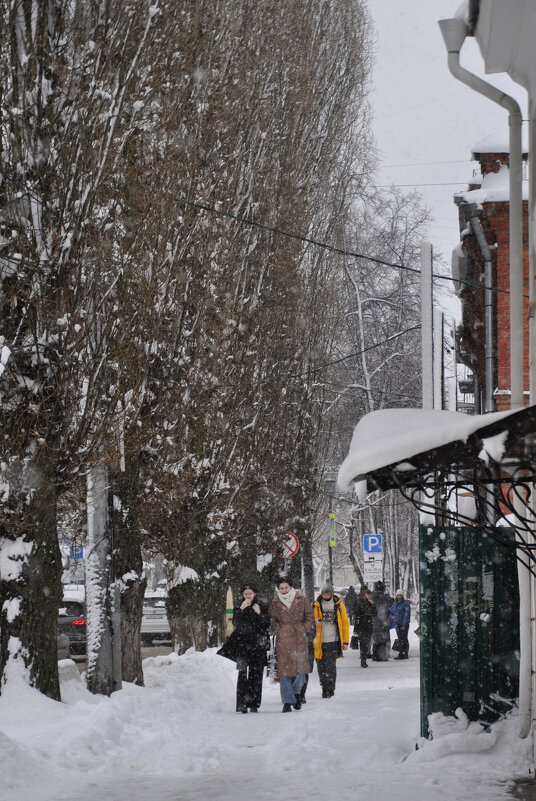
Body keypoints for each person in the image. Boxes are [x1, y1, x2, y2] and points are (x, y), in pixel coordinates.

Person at [217, 583, 270, 712]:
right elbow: (235, 622)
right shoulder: (239, 605)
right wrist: (240, 609)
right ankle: (241, 703)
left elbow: (266, 624)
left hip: (257, 644)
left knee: (256, 674)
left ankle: (254, 703)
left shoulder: (261, 605)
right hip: (242, 644)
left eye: (250, 593)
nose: (248, 596)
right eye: (245, 594)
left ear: (254, 594)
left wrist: (259, 614)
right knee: (242, 673)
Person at [270, 576, 315, 712]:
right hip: (283, 640)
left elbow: (310, 616)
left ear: (291, 587)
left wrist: (304, 629)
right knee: (284, 672)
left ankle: (296, 693)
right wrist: (279, 629)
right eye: (281, 588)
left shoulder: (301, 599)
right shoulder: (276, 602)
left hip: (299, 638)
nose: (283, 590)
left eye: (286, 588)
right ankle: (287, 702)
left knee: (301, 670)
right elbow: (273, 619)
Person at [312, 582, 349, 698]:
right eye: (324, 594)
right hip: (319, 641)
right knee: (320, 666)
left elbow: (345, 624)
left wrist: (345, 642)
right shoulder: (315, 606)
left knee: (331, 666)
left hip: (333, 640)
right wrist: (315, 622)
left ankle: (331, 688)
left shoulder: (338, 606)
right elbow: (309, 622)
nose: (326, 596)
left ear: (332, 594)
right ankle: (324, 687)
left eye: (328, 594)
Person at [371, 580, 394, 662]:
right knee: (383, 638)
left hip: (374, 620)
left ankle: (375, 655)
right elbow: (390, 605)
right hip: (383, 620)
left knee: (376, 638)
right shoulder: (385, 597)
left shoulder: (372, 596)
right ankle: (382, 655)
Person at [354, 586, 376, 668]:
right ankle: (363, 659)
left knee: (366, 643)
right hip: (361, 626)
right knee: (363, 643)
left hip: (369, 626)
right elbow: (357, 616)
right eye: (368, 594)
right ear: (364, 595)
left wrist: (373, 605)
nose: (369, 596)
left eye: (370, 594)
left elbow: (374, 614)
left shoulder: (371, 603)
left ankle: (363, 658)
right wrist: (355, 629)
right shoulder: (360, 603)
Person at [389, 589, 411, 660]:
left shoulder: (405, 604)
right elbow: (391, 612)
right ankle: (401, 653)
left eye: (400, 595)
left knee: (404, 638)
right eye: (398, 595)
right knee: (400, 639)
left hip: (403, 624)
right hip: (397, 624)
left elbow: (406, 615)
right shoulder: (394, 604)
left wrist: (404, 624)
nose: (399, 596)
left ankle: (405, 653)